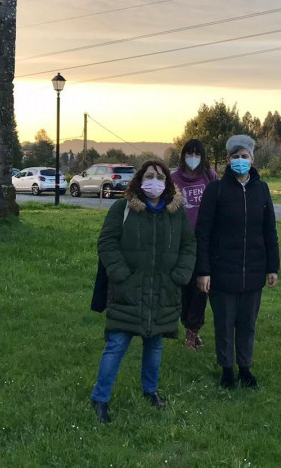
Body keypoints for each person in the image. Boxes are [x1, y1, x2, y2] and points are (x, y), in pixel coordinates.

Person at [90, 159, 196, 424]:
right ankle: (100, 398)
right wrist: (121, 274)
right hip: (128, 290)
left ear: (167, 183)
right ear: (139, 180)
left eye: (161, 178)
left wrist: (180, 276)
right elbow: (107, 243)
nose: (155, 182)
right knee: (116, 344)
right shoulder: (122, 209)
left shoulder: (176, 213)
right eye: (149, 176)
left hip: (163, 290)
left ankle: (150, 391)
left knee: (155, 343)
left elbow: (188, 245)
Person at [195, 134, 280, 389]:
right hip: (222, 272)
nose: (240, 161)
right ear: (228, 160)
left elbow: (270, 230)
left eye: (245, 156)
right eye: (235, 156)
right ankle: (226, 370)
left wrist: (272, 267)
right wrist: (203, 270)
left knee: (247, 324)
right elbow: (203, 232)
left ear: (253, 159)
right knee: (224, 324)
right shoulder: (216, 190)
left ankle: (245, 368)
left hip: (253, 270)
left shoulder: (262, 189)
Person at [171, 139, 219, 351]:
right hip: (181, 242)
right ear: (183, 155)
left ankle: (193, 331)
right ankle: (189, 327)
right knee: (186, 288)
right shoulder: (173, 179)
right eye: (189, 153)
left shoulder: (210, 177)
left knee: (202, 288)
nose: (193, 157)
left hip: (206, 241)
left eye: (196, 153)